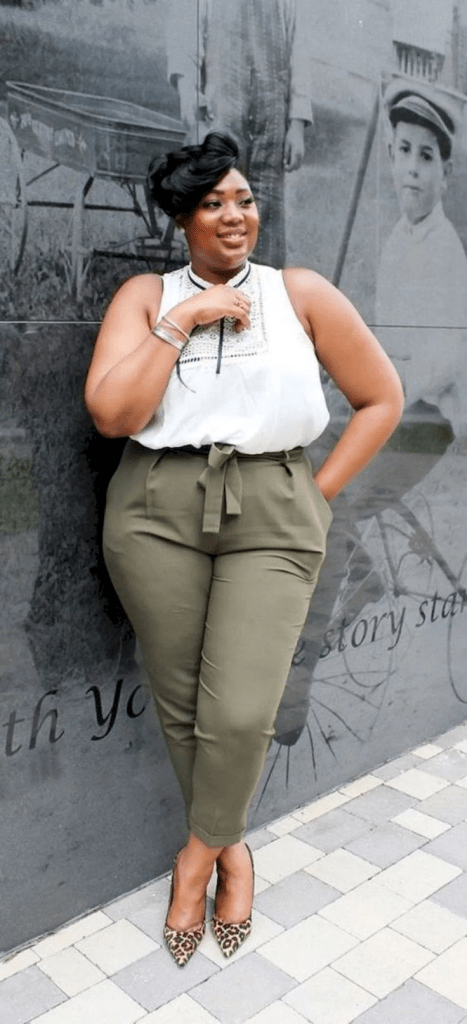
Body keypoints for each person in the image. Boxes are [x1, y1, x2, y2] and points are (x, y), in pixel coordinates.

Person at [84, 132, 403, 966]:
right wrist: (180, 321)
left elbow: (380, 398)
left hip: (272, 505)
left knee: (239, 710)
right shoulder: (143, 297)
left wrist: (314, 493)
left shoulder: (299, 292)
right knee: (182, 699)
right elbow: (113, 415)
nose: (235, 217)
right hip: (154, 508)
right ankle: (233, 849)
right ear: (181, 219)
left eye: (245, 199)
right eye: (213, 204)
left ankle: (200, 859)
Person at [165, 0, 312, 267]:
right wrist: (188, 90)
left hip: (271, 121)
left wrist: (297, 123)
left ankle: (262, 299)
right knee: (218, 200)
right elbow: (184, 33)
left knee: (264, 213)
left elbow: (299, 49)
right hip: (221, 114)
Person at [376, 81, 467, 438]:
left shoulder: (446, 252)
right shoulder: (396, 241)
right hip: (391, 393)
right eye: (405, 150)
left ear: (445, 174)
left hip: (431, 411)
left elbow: (444, 361)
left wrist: (393, 384)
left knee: (353, 477)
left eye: (426, 156)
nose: (412, 167)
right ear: (391, 155)